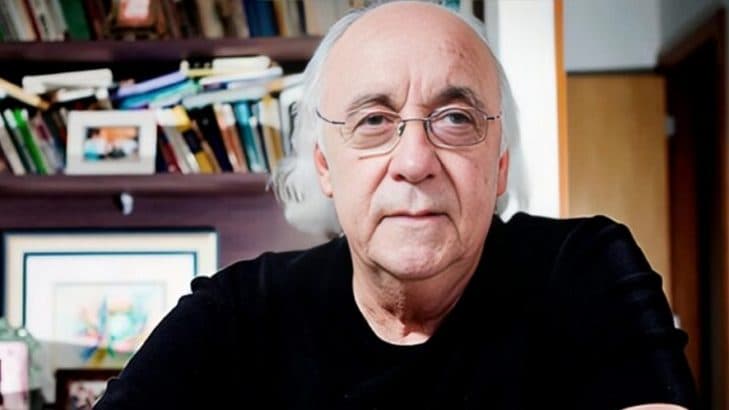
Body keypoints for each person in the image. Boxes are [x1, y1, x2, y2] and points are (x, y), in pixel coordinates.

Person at [94, 2, 697, 409]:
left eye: (455, 118)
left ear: (499, 167)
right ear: (326, 166)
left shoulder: (585, 267)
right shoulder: (240, 310)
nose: (414, 160)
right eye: (374, 120)